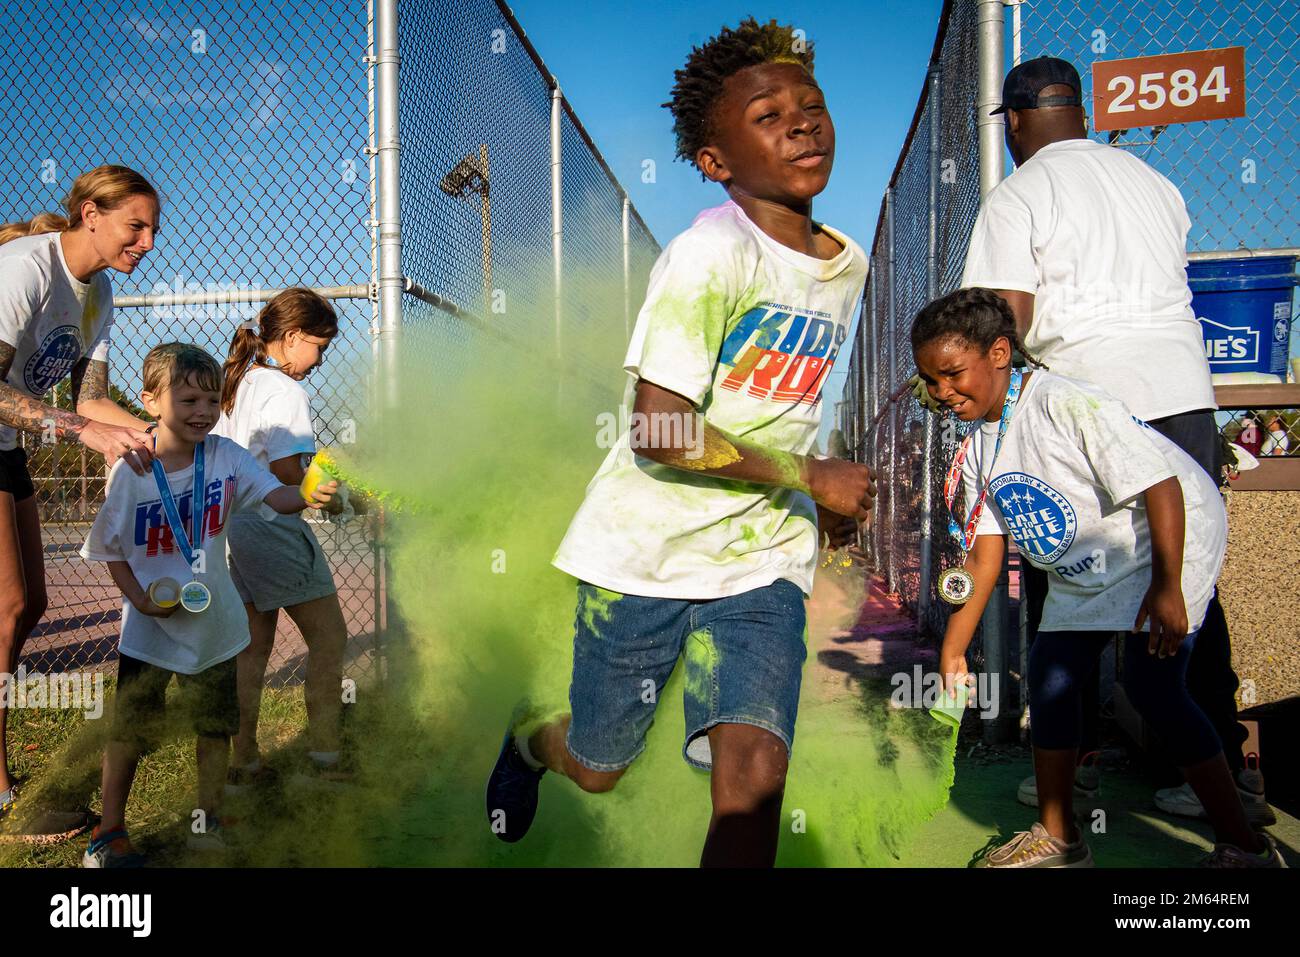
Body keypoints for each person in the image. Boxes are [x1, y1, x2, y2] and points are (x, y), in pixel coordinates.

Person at [483, 17, 871, 867]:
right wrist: (810, 473)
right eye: (768, 116)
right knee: (596, 768)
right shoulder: (709, 255)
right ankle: (527, 741)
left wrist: (816, 500)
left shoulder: (850, 265)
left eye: (811, 106)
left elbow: (788, 403)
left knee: (755, 778)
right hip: (644, 556)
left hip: (761, 559)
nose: (802, 123)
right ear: (715, 161)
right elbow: (658, 427)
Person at [958, 57, 1271, 824]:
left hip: (1087, 405)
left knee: (1063, 572)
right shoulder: (1152, 182)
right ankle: (1222, 769)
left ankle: (1076, 767)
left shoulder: (1020, 192)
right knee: (1184, 582)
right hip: (1180, 396)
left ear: (1020, 121)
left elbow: (1005, 316)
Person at [915, 287, 1282, 868]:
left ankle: (1245, 845)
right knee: (1051, 677)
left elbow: (1160, 485)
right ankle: (1060, 838)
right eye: (931, 381)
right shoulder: (979, 441)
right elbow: (987, 550)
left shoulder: (1066, 404)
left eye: (952, 374)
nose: (942, 392)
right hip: (1090, 565)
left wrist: (1167, 587)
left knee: (1153, 686)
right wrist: (954, 648)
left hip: (1164, 543)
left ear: (1000, 353)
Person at [79, 343, 337, 866]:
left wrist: (308, 494)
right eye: (188, 399)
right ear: (151, 401)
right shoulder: (132, 470)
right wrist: (140, 603)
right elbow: (110, 552)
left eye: (212, 400)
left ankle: (207, 819)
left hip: (217, 629)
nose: (202, 411)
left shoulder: (225, 457)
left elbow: (273, 496)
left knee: (215, 728)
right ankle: (109, 832)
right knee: (130, 731)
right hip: (149, 635)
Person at [0, 165, 161, 838]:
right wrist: (84, 431)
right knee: (6, 605)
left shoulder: (99, 300)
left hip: (7, 447)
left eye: (153, 229)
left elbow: (88, 399)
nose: (148, 243)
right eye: (136, 225)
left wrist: (160, 434)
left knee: (30, 603)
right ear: (90, 212)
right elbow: (75, 418)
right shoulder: (24, 269)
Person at [213, 288, 351, 787]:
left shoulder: (241, 378)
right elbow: (289, 470)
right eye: (319, 345)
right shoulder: (287, 391)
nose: (320, 358)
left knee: (252, 649)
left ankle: (243, 761)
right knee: (330, 639)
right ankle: (326, 759)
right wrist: (336, 492)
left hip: (234, 528)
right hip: (273, 527)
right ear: (292, 338)